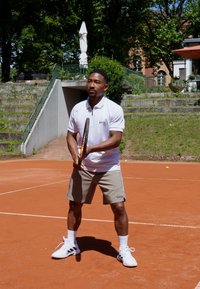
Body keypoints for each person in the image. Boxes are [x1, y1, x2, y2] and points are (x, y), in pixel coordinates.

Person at [51, 69, 137, 267]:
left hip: (109, 166)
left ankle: (123, 249)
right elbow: (71, 135)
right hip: (84, 167)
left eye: (96, 82)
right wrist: (75, 155)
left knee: (119, 206)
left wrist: (90, 149)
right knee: (74, 205)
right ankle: (72, 243)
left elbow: (116, 139)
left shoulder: (114, 109)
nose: (91, 85)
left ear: (105, 87)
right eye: (89, 81)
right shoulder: (78, 109)